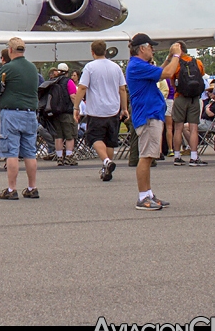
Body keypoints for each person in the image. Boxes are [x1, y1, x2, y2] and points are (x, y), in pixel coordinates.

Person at [125, 33, 182, 210]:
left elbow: (159, 75)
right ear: (142, 48)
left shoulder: (140, 66)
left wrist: (167, 58)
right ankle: (143, 197)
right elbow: (169, 73)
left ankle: (148, 193)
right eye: (150, 47)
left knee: (149, 157)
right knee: (146, 156)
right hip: (148, 115)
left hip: (151, 114)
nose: (152, 50)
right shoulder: (137, 65)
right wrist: (177, 55)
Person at [0, 38, 41, 199]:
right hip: (30, 113)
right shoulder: (32, 68)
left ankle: (12, 189)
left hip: (12, 113)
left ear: (10, 50)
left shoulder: (7, 69)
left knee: (12, 152)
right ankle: (32, 187)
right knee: (30, 153)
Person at [74, 41, 128, 182]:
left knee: (94, 138)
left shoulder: (90, 67)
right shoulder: (116, 67)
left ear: (92, 52)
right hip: (113, 109)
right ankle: (107, 167)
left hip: (96, 110)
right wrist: (124, 108)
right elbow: (122, 88)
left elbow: (82, 87)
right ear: (106, 51)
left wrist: (76, 106)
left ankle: (106, 162)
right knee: (110, 141)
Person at [172, 42, 207, 166]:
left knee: (178, 128)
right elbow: (201, 75)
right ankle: (194, 156)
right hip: (194, 98)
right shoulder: (197, 62)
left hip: (180, 97)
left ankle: (177, 156)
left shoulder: (176, 64)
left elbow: (172, 79)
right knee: (193, 128)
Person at [44, 63, 79, 166]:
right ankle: (68, 157)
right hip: (67, 112)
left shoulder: (53, 82)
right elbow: (73, 96)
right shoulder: (69, 82)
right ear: (67, 72)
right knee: (69, 136)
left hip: (55, 113)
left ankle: (59, 158)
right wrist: (77, 108)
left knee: (58, 136)